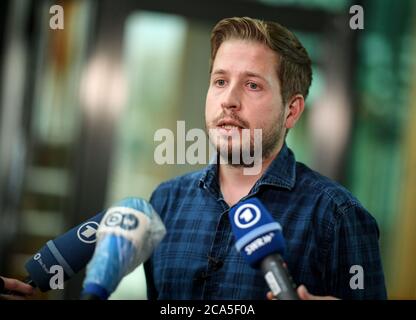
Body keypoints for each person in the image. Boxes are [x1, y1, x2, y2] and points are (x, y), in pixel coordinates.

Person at [144, 16, 387, 300]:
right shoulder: (165, 202)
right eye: (220, 81)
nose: (229, 100)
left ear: (292, 111)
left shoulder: (338, 217)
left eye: (252, 85)